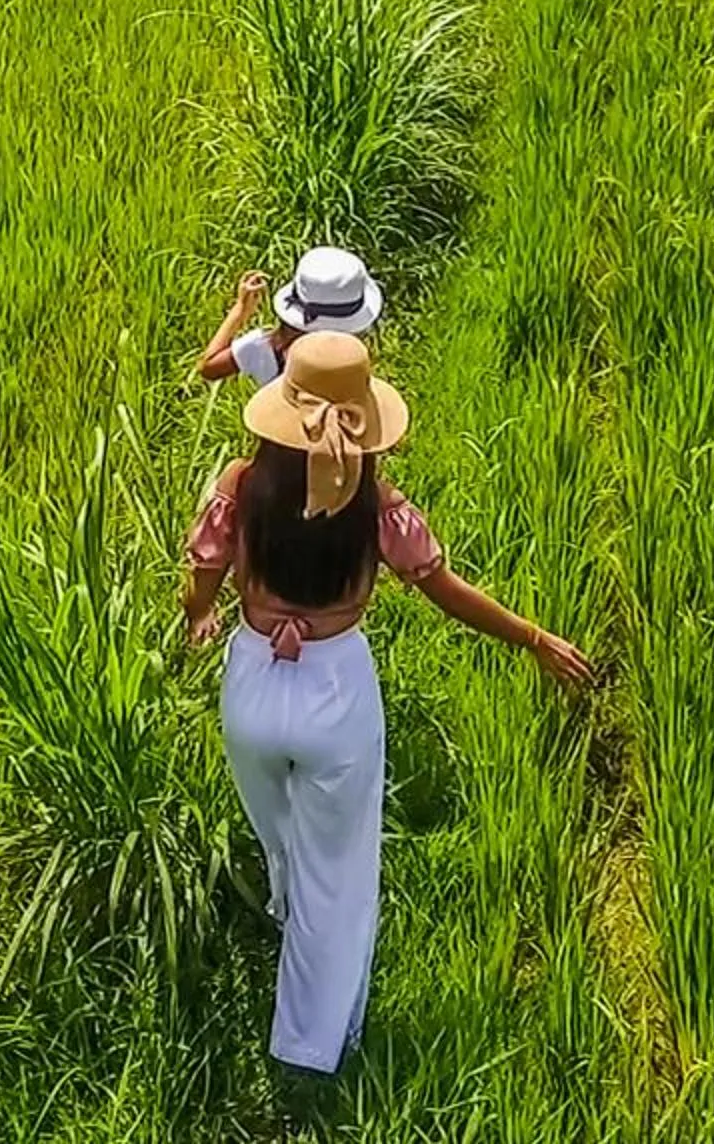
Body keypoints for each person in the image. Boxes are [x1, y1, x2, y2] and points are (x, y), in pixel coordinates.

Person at [180, 331, 594, 1075]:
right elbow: (446, 591)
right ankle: (309, 1045)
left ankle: (283, 910)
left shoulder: (242, 485)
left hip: (249, 687)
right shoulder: (375, 507)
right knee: (337, 874)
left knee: (281, 833)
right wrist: (533, 638)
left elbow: (203, 572)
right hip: (335, 690)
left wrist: (199, 617)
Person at [196, 245, 383, 388]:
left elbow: (208, 368)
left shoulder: (263, 347)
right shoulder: (353, 356)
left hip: (276, 435)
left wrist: (240, 310)